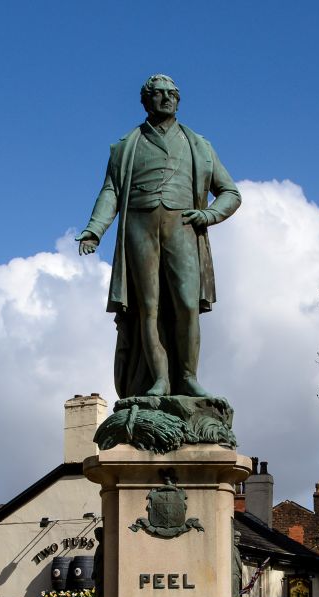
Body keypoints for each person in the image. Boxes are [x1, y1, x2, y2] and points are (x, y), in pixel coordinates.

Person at [77, 74, 240, 398]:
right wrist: (94, 229)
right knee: (146, 307)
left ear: (178, 100)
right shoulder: (126, 147)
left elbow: (230, 193)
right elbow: (111, 191)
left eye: (171, 94)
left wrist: (208, 215)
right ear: (145, 100)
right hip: (139, 227)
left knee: (186, 304)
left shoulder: (200, 146)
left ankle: (187, 377)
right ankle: (160, 379)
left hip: (183, 227)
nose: (165, 98)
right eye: (158, 94)